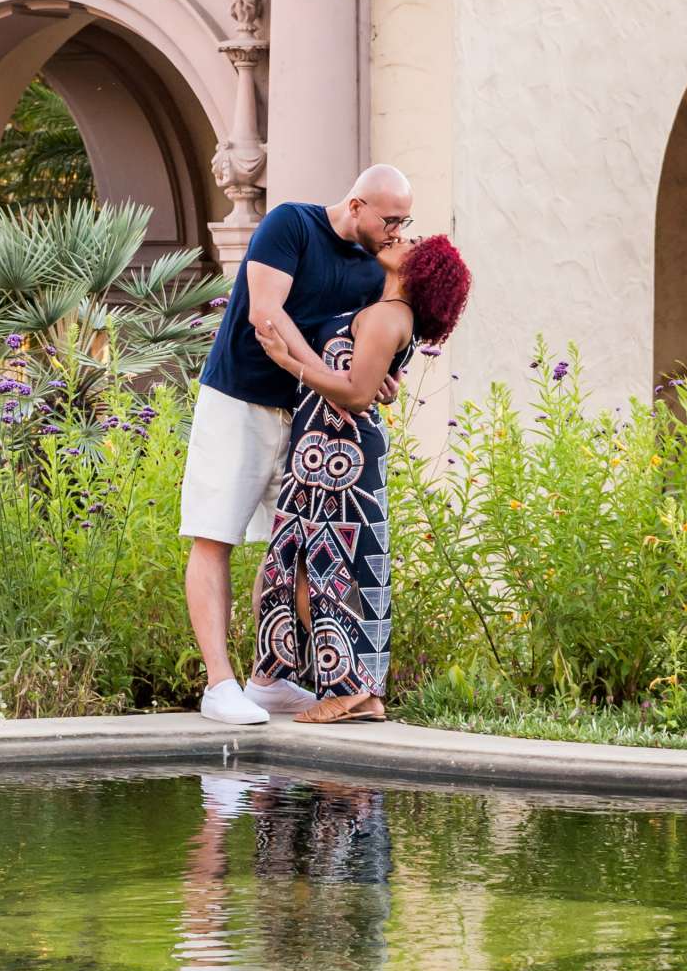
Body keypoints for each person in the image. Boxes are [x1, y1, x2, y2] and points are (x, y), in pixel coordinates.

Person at [181, 165, 415, 726]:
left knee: (290, 553)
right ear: (356, 204)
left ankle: (270, 680)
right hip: (239, 400)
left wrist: (369, 381)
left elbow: (361, 345)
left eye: (405, 221)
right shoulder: (292, 224)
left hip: (309, 421)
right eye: (389, 219)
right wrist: (335, 387)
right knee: (215, 536)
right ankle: (220, 685)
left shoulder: (372, 271)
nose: (396, 231)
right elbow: (267, 313)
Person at [252, 232, 471, 725]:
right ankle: (364, 694)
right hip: (325, 450)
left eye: (413, 242)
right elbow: (358, 379)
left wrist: (289, 362)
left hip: (339, 452)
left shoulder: (389, 316)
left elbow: (354, 394)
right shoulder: (385, 311)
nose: (402, 238)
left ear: (420, 271)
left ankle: (349, 689)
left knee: (326, 570)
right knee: (319, 568)